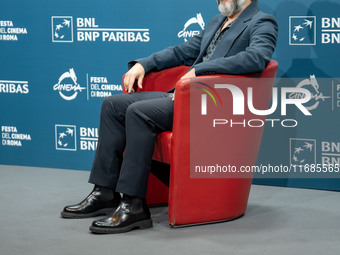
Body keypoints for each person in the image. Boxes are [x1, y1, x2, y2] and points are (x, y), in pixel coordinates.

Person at [61, 0, 278, 234]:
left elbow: (257, 58)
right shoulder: (217, 22)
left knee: (139, 113)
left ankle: (134, 205)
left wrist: (202, 70)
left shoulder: (262, 21)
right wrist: (143, 65)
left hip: (209, 105)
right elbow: (182, 52)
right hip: (181, 96)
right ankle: (104, 192)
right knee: (112, 105)